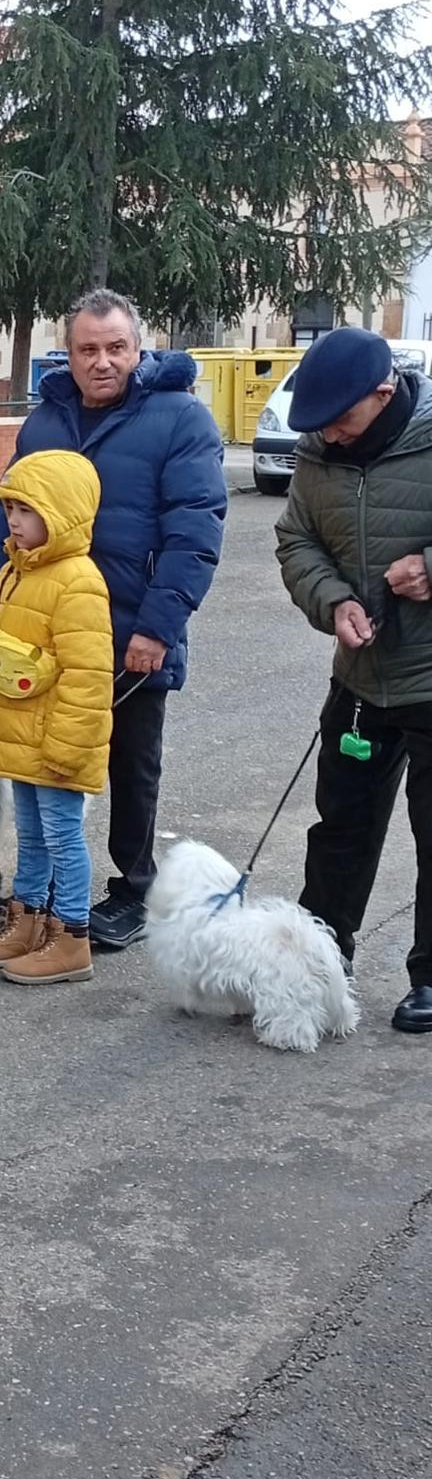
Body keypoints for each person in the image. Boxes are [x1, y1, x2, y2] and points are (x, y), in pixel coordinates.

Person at [0, 288, 226, 949]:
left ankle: (133, 889)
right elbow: (3, 522)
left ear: (137, 348)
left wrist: (157, 629)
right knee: (41, 762)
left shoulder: (181, 420)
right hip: (41, 635)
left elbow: (194, 534)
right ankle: (44, 896)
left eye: (116, 347)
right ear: (70, 353)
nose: (102, 361)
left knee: (131, 765)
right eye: (88, 348)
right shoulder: (44, 423)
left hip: (133, 631)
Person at [276, 326, 432, 1035]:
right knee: (339, 824)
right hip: (362, 677)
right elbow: (295, 539)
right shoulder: (317, 455)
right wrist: (333, 599)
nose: (331, 436)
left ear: (384, 389)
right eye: (321, 425)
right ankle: (320, 959)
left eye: (343, 419)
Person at [0, 451, 113, 981]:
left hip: (55, 742)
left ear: (63, 512)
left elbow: (87, 676)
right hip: (20, 737)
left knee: (62, 836)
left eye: (26, 511)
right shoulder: (12, 573)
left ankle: (72, 936)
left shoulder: (79, 581)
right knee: (29, 833)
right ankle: (27, 922)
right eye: (9, 510)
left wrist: (69, 746)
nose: (14, 522)